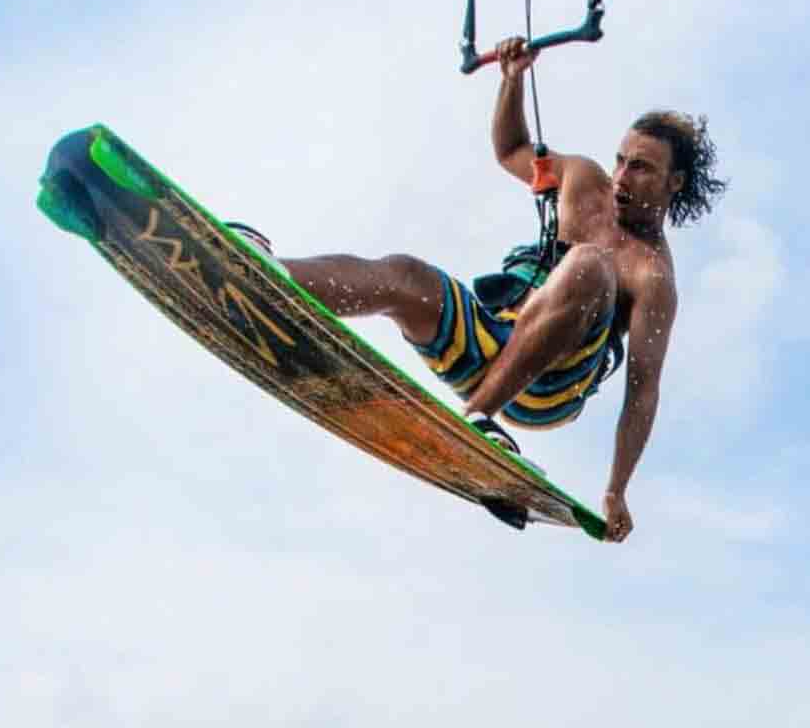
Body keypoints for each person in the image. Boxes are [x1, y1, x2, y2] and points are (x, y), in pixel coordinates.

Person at [246, 36, 726, 543]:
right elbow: (512, 150)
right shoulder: (582, 180)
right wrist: (513, 80)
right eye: (621, 159)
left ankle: (477, 416)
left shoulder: (653, 278)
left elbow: (642, 388)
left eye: (642, 168)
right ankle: (268, 276)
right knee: (408, 275)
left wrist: (615, 489)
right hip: (491, 338)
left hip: (545, 389)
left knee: (589, 266)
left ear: (675, 183)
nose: (622, 177)